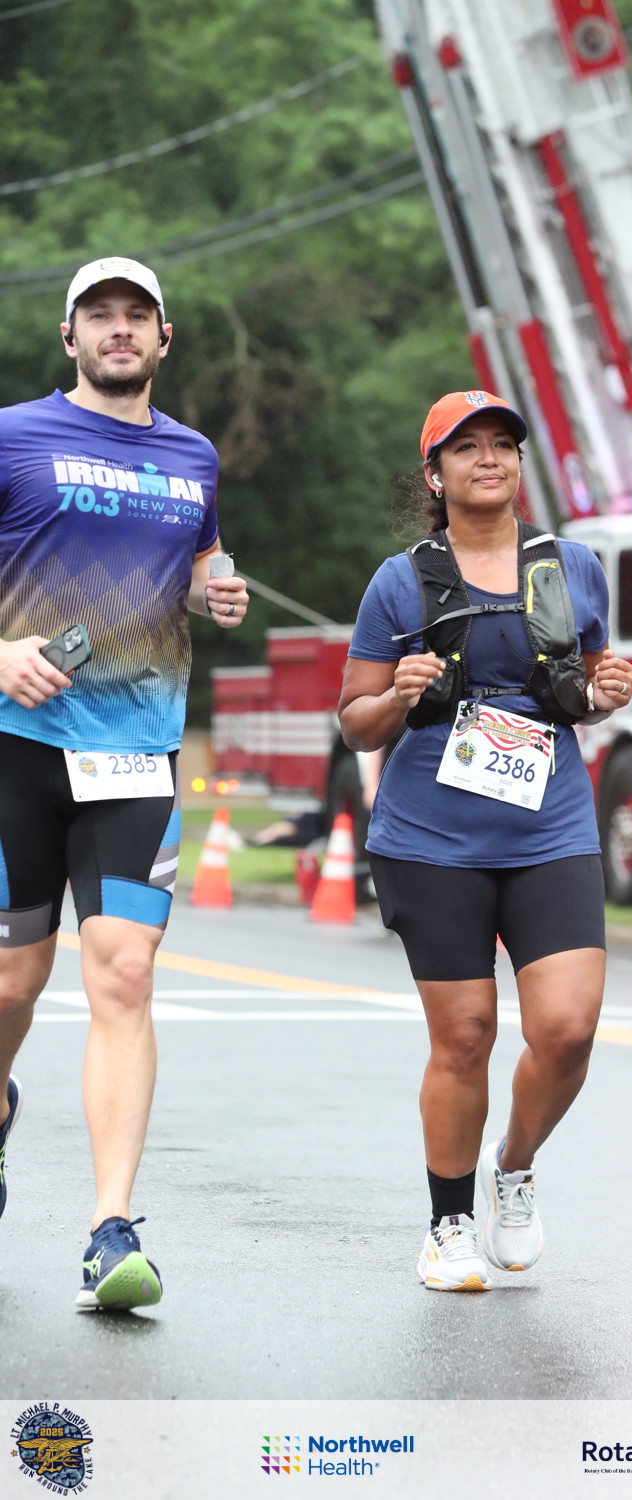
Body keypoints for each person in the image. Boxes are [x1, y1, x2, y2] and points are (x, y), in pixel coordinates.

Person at [338, 389, 632, 1290]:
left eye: (503, 443)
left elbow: (585, 684)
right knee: (465, 1034)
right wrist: (399, 695)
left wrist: (606, 691)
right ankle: (448, 1224)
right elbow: (355, 721)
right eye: (467, 447)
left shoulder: (573, 568)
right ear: (435, 474)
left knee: (567, 1028)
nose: (489, 458)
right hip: (432, 835)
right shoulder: (400, 582)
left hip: (551, 824)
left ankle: (514, 1166)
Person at [0, 256, 249, 1309]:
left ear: (163, 337)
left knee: (125, 975)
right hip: (15, 745)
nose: (118, 329)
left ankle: (111, 1230)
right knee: (11, 983)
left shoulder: (194, 457)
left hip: (136, 751)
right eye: (97, 315)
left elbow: (195, 558)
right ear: (68, 338)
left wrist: (213, 586)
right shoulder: (13, 436)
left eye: (135, 316)